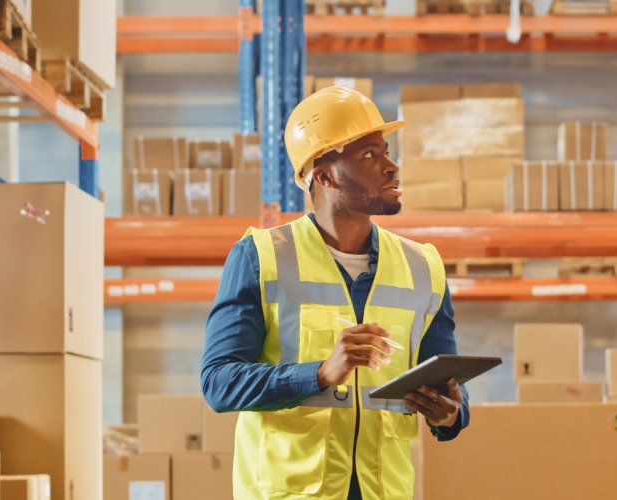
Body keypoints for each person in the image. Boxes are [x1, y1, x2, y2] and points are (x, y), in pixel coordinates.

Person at [200, 86, 469, 500]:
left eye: (386, 151)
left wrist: (451, 414)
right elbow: (219, 383)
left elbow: (447, 382)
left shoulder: (424, 267)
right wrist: (320, 373)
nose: (391, 167)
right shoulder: (261, 257)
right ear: (324, 174)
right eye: (369, 155)